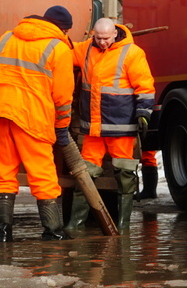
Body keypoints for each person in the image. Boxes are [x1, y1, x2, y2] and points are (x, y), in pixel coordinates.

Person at [0, 5, 75, 242]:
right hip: (32, 116)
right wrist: (62, 126)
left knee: (4, 172)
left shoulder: (7, 37)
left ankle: (3, 233)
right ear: (64, 29)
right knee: (43, 174)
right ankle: (52, 231)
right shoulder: (59, 48)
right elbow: (63, 97)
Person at [65, 17, 155, 233]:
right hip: (94, 128)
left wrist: (143, 113)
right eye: (98, 38)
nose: (102, 42)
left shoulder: (132, 53)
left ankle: (123, 226)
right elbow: (62, 54)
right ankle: (75, 224)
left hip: (120, 127)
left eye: (105, 38)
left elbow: (145, 85)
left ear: (115, 33)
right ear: (93, 35)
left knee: (125, 175)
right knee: (85, 174)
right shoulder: (86, 48)